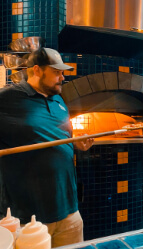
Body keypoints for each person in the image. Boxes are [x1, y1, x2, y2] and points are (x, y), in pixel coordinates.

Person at [0, 48, 94, 247]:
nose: (62, 77)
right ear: (37, 70)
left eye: (63, 72)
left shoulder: (59, 101)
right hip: (28, 216)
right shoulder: (8, 99)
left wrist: (77, 144)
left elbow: (63, 138)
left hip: (69, 210)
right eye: (57, 72)